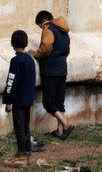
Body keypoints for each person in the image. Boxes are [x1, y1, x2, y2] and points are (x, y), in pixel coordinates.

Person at [28, 10, 74, 139]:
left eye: (39, 26)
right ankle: (60, 131)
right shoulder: (64, 31)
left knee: (48, 102)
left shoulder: (48, 29)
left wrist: (35, 54)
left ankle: (65, 124)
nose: (40, 28)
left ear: (43, 21)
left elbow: (46, 48)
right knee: (60, 102)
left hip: (50, 70)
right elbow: (67, 50)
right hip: (62, 68)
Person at [3, 30, 37, 168]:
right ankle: (27, 153)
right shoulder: (30, 59)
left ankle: (22, 154)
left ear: (12, 43)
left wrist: (8, 100)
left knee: (19, 127)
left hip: (18, 99)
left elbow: (11, 81)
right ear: (26, 43)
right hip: (28, 98)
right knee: (25, 126)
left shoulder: (16, 60)